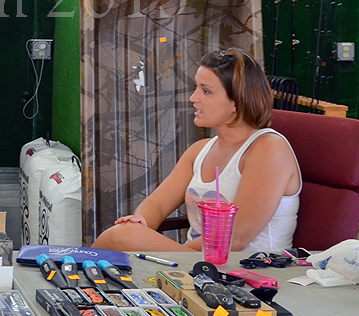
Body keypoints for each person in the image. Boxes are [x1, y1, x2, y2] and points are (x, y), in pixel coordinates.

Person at [93, 48, 301, 254]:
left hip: (251, 267)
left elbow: (237, 236)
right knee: (126, 232)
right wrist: (141, 222)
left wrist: (170, 253)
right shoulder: (199, 150)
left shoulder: (269, 148)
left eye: (206, 91)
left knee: (120, 237)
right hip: (199, 262)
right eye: (196, 88)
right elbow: (157, 203)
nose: (193, 98)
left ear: (237, 101)